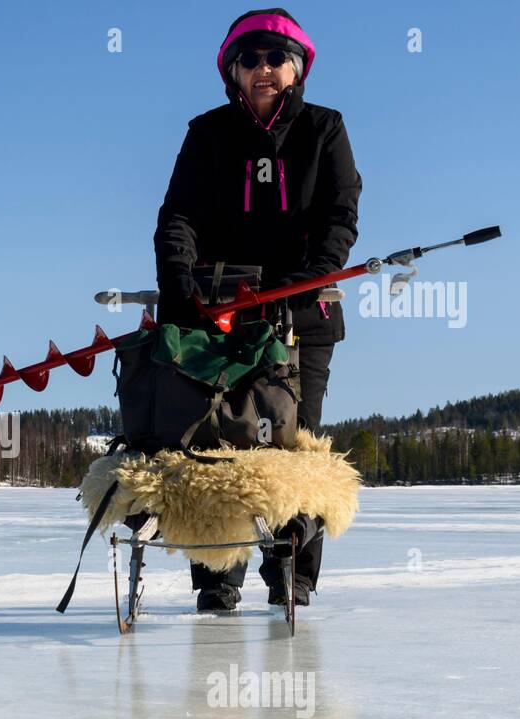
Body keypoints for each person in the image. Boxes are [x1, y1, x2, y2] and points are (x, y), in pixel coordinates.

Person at [153, 7, 361, 612]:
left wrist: (303, 282)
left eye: (276, 58)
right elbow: (178, 219)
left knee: (294, 449)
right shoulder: (207, 133)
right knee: (214, 446)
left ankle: (291, 574)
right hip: (216, 322)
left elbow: (340, 217)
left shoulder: (326, 130)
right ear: (232, 71)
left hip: (303, 320)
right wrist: (179, 287)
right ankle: (217, 576)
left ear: (297, 69)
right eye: (250, 59)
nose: (263, 69)